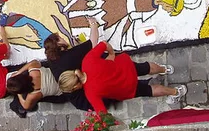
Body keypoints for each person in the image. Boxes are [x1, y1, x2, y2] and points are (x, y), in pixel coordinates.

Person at [57, 39, 185, 112]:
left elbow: (102, 113)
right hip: (125, 66)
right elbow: (103, 44)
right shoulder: (87, 61)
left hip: (128, 87)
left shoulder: (91, 94)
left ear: (75, 87)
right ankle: (164, 69)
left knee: (150, 90)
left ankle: (175, 92)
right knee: (146, 67)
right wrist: (111, 54)